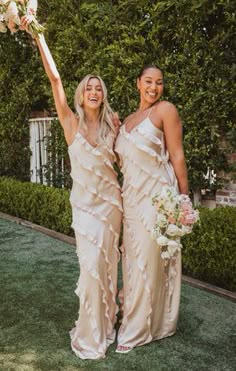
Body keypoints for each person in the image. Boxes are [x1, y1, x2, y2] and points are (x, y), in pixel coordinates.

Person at [20, 18, 122, 359]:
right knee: (91, 268)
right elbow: (55, 78)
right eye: (88, 87)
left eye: (98, 88)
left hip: (112, 208)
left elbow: (130, 163)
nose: (93, 92)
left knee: (108, 269)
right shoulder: (69, 121)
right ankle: (90, 333)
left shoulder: (113, 126)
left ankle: (106, 326)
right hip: (85, 210)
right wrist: (37, 36)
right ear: (81, 94)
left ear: (103, 95)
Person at [115, 64, 188, 353]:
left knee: (148, 261)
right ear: (138, 83)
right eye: (148, 81)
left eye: (159, 83)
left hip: (157, 199)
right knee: (132, 264)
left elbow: (178, 155)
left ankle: (137, 331)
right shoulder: (127, 120)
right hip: (130, 201)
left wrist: (183, 199)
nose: (153, 87)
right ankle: (136, 316)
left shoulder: (165, 111)